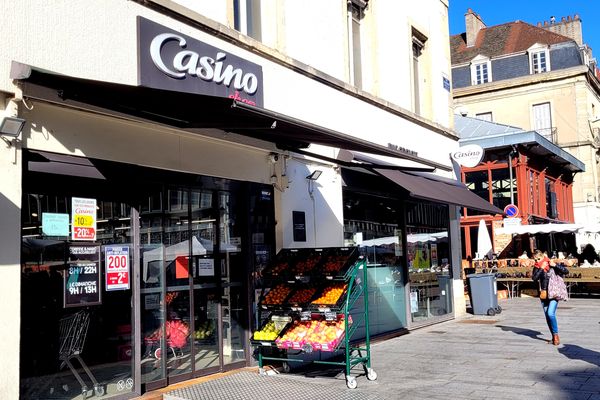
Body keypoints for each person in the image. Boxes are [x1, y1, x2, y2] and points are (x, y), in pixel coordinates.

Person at [531, 250, 569, 345]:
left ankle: (556, 335)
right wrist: (541, 268)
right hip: (544, 294)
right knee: (547, 316)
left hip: (554, 293)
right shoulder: (536, 267)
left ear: (543, 257)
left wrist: (555, 265)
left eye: (538, 259)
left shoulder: (551, 263)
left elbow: (566, 271)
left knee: (550, 313)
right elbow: (534, 278)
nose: (537, 261)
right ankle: (553, 337)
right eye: (535, 260)